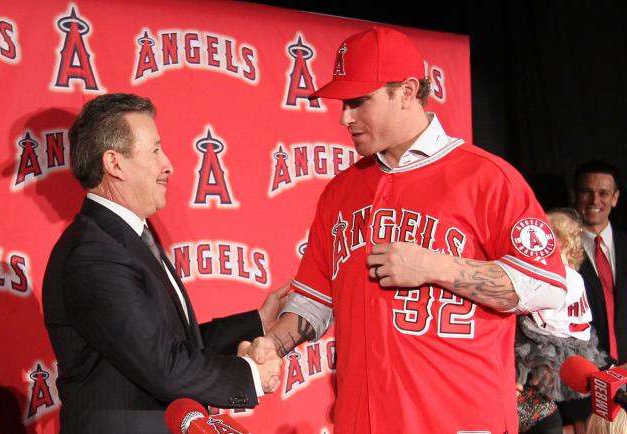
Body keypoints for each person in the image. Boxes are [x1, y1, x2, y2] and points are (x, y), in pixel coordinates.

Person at [242, 26, 567, 433]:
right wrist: (272, 344)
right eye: (344, 103)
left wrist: (439, 267)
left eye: (359, 102)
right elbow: (314, 300)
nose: (345, 117)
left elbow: (548, 285)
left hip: (459, 422)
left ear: (407, 91)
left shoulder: (487, 177)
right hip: (362, 422)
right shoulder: (340, 191)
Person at [42, 93, 283, 434]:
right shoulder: (94, 253)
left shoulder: (125, 238)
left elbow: (173, 345)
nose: (167, 164)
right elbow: (163, 365)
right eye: (155, 151)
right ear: (115, 163)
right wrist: (252, 375)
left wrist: (257, 321)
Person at [516, 208, 605, 434]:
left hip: (548, 347)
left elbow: (520, 302)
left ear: (563, 243)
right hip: (547, 356)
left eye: (548, 236)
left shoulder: (563, 278)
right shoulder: (571, 277)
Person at [559, 161, 627, 428]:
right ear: (575, 195)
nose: (595, 200)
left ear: (616, 197)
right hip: (583, 389)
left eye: (603, 193)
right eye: (587, 192)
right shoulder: (558, 252)